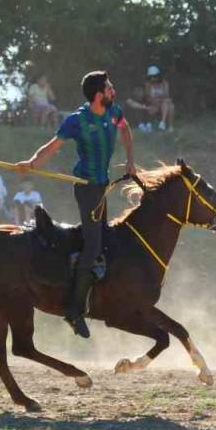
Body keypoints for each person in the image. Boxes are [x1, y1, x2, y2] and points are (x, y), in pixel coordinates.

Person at [16, 70, 135, 338]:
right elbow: (52, 146)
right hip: (86, 189)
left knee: (103, 239)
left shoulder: (113, 112)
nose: (113, 90)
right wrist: (32, 164)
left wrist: (130, 161)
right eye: (109, 87)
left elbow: (125, 129)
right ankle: (74, 310)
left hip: (103, 188)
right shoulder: (77, 120)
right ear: (98, 94)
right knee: (93, 247)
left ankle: (99, 296)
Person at [145, 65, 175, 131]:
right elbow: (147, 98)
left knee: (170, 106)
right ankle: (164, 123)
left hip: (163, 104)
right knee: (168, 103)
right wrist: (157, 98)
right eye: (151, 76)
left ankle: (167, 125)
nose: (153, 78)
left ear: (158, 75)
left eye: (155, 76)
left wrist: (158, 97)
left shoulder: (164, 83)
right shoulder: (148, 85)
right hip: (153, 105)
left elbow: (167, 95)